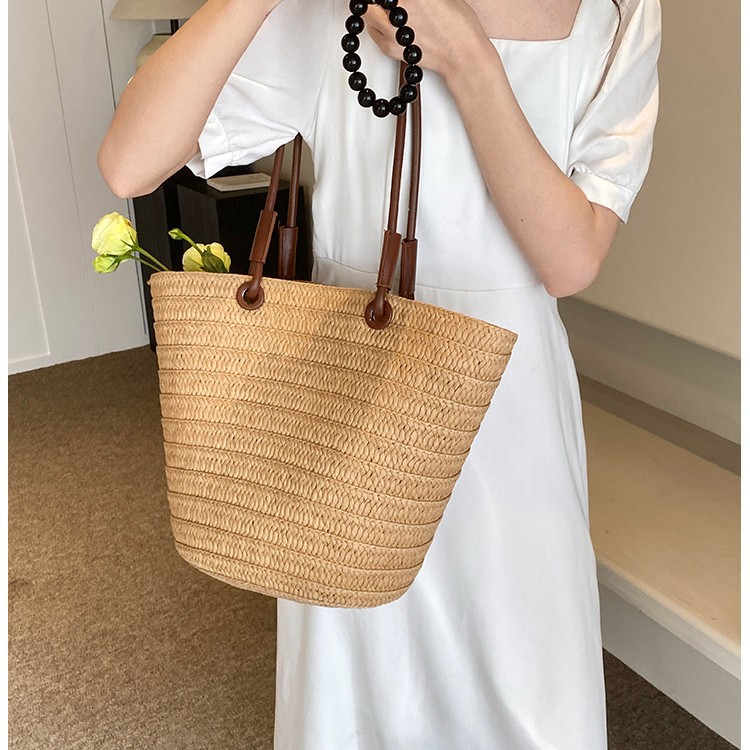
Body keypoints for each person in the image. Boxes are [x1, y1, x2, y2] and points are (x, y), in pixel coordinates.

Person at [98, 0, 661, 746]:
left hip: (507, 414)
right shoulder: (338, 9)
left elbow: (571, 260)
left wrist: (467, 58)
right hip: (349, 391)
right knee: (361, 684)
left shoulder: (623, 10)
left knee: (525, 678)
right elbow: (129, 161)